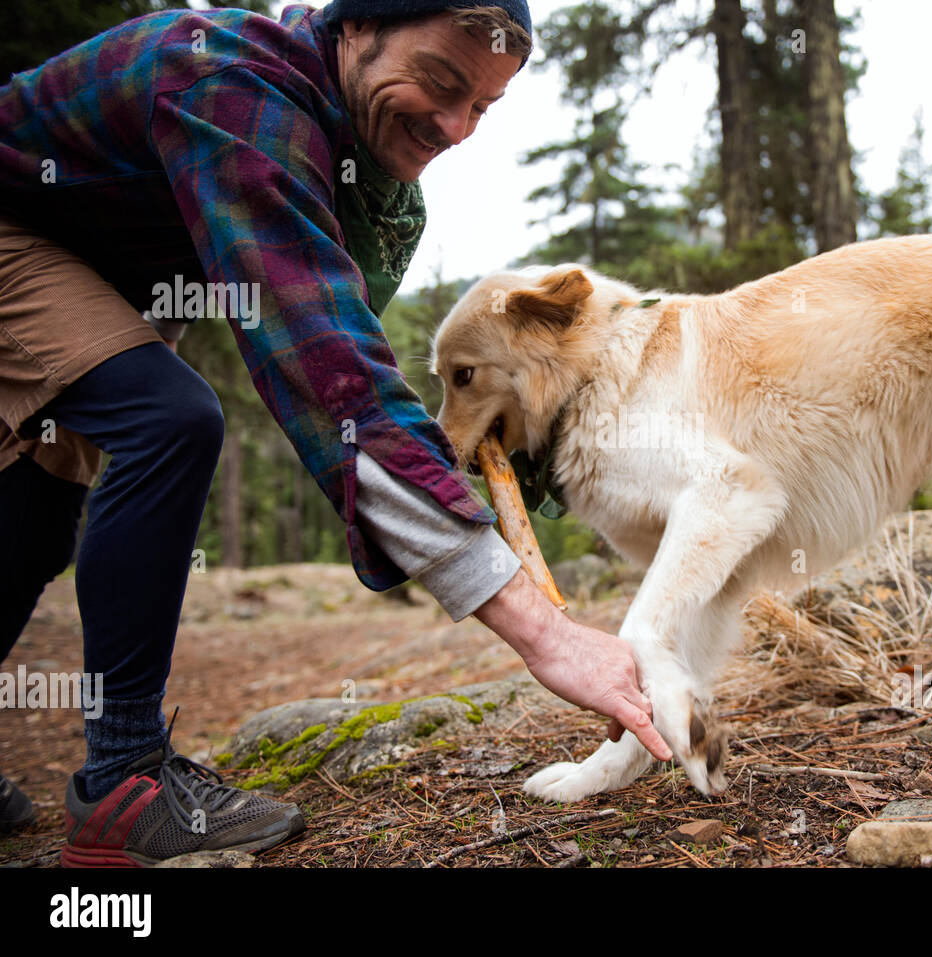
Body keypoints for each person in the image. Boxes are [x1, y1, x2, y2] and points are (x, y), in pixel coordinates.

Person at [0, 0, 670, 866]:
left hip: (101, 272)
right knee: (168, 421)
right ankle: (123, 780)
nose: (457, 127)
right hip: (21, 232)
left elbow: (352, 356)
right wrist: (543, 631)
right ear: (356, 27)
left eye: (484, 106)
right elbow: (332, 381)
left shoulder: (369, 168)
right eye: (440, 81)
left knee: (39, 503)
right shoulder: (236, 86)